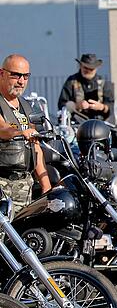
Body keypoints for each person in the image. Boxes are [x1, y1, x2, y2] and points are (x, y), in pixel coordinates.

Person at [0, 55, 52, 213]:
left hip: (25, 185)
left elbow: (35, 146)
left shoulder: (27, 107)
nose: (21, 81)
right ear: (1, 74)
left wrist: (46, 184)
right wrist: (20, 132)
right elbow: (2, 128)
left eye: (25, 76)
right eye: (15, 75)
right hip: (2, 184)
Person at [57, 53, 115, 121]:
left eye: (91, 69)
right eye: (85, 68)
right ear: (80, 66)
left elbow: (113, 105)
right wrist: (77, 106)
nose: (88, 71)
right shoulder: (71, 81)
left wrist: (102, 107)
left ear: (96, 68)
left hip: (100, 124)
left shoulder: (104, 83)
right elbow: (62, 105)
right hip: (77, 124)